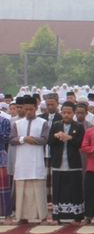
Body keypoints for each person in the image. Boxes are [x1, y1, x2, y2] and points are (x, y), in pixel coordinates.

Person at [9, 96, 49, 224]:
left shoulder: (43, 122)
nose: (28, 112)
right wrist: (24, 139)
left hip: (36, 161)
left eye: (31, 109)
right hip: (22, 162)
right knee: (22, 190)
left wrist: (34, 140)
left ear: (36, 108)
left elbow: (45, 139)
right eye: (26, 109)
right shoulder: (17, 123)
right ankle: (22, 216)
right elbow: (12, 140)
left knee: (38, 189)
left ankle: (41, 216)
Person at [47, 101, 85, 223]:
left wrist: (70, 138)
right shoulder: (56, 125)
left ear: (73, 113)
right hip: (58, 163)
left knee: (74, 189)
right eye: (64, 113)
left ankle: (77, 215)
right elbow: (49, 141)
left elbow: (81, 144)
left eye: (69, 113)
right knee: (58, 190)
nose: (66, 115)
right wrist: (56, 136)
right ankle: (58, 216)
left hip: (73, 163)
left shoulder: (78, 126)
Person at [0, 113, 12, 219]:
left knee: (3, 188)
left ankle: (7, 215)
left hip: (1, 156)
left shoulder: (4, 121)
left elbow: (6, 138)